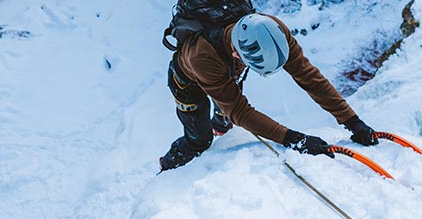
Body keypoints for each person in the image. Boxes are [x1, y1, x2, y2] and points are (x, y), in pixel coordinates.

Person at [160, 12, 379, 171]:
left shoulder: (272, 30)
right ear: (237, 55)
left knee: (224, 122)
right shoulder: (202, 56)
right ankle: (167, 166)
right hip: (187, 81)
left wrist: (351, 120)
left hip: (225, 74)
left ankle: (220, 124)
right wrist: (294, 139)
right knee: (200, 139)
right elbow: (240, 110)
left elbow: (309, 76)